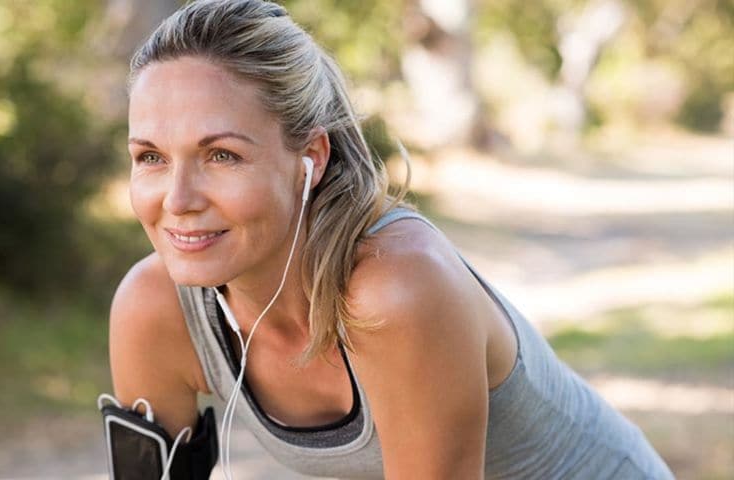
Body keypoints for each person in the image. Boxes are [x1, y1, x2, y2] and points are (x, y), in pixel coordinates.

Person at [108, 0, 675, 478]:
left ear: (310, 158)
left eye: (222, 155)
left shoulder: (395, 289)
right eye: (151, 157)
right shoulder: (154, 309)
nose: (177, 199)